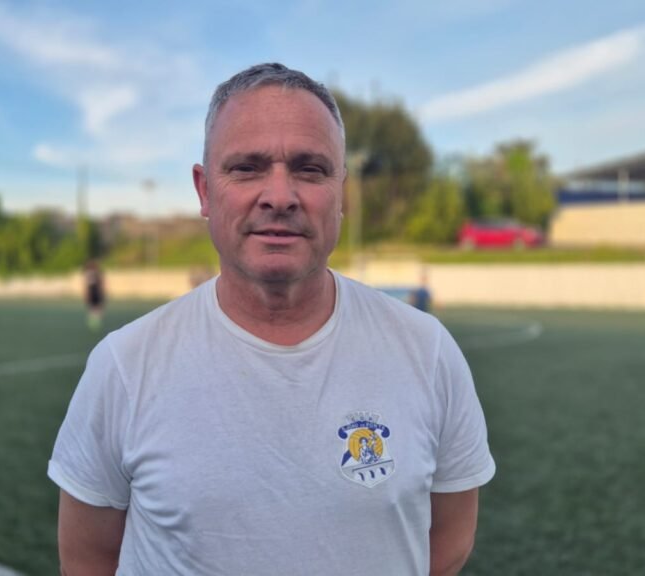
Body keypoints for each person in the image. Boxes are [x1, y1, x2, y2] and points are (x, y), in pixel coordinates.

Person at [48, 63, 495, 575]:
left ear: (342, 193)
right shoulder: (124, 366)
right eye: (247, 168)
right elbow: (87, 558)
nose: (280, 196)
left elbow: (451, 537)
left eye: (310, 169)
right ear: (204, 191)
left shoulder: (427, 350)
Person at [83, 260, 105, 332]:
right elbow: (88, 284)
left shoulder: (96, 273)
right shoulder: (93, 273)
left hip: (94, 290)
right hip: (94, 290)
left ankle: (95, 320)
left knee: (95, 307)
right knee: (95, 307)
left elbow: (100, 283)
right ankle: (94, 321)